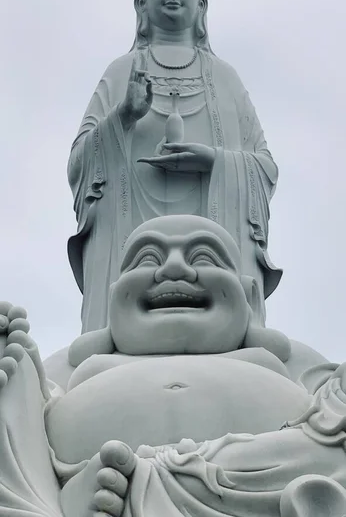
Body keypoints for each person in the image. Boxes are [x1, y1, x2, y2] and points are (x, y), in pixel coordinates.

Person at [1, 216, 346, 517]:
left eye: (204, 256)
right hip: (84, 478)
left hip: (261, 480)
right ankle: (67, 497)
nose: (174, 269)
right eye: (148, 258)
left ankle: (142, 483)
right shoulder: (72, 365)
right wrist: (18, 379)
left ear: (248, 294)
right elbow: (24, 433)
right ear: (114, 296)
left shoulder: (291, 360)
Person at [67, 0, 282, 332]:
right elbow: (79, 166)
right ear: (141, 1)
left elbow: (265, 167)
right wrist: (122, 117)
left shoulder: (225, 77)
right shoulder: (120, 72)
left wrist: (215, 161)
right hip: (130, 241)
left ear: (201, 3)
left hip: (209, 244)